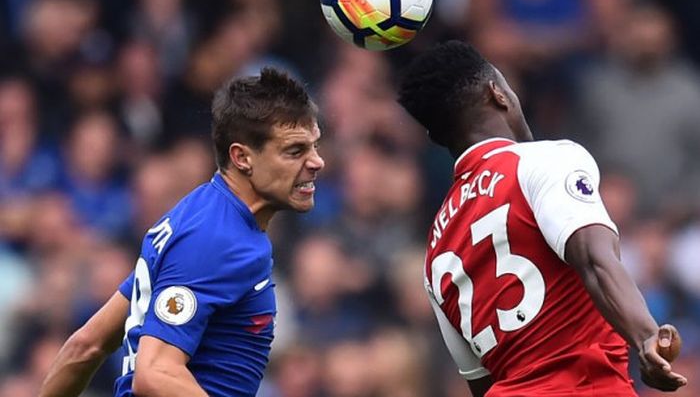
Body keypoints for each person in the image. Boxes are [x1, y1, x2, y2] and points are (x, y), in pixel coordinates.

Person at [396, 40, 687, 397]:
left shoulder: (436, 249)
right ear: (498, 94)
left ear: (435, 136)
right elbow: (594, 260)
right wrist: (645, 337)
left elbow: (479, 380)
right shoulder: (543, 161)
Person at [38, 67, 325, 397]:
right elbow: (155, 373)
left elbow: (85, 346)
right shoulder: (218, 240)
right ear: (242, 157)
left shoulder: (200, 214)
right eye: (295, 151)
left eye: (314, 146)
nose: (317, 162)